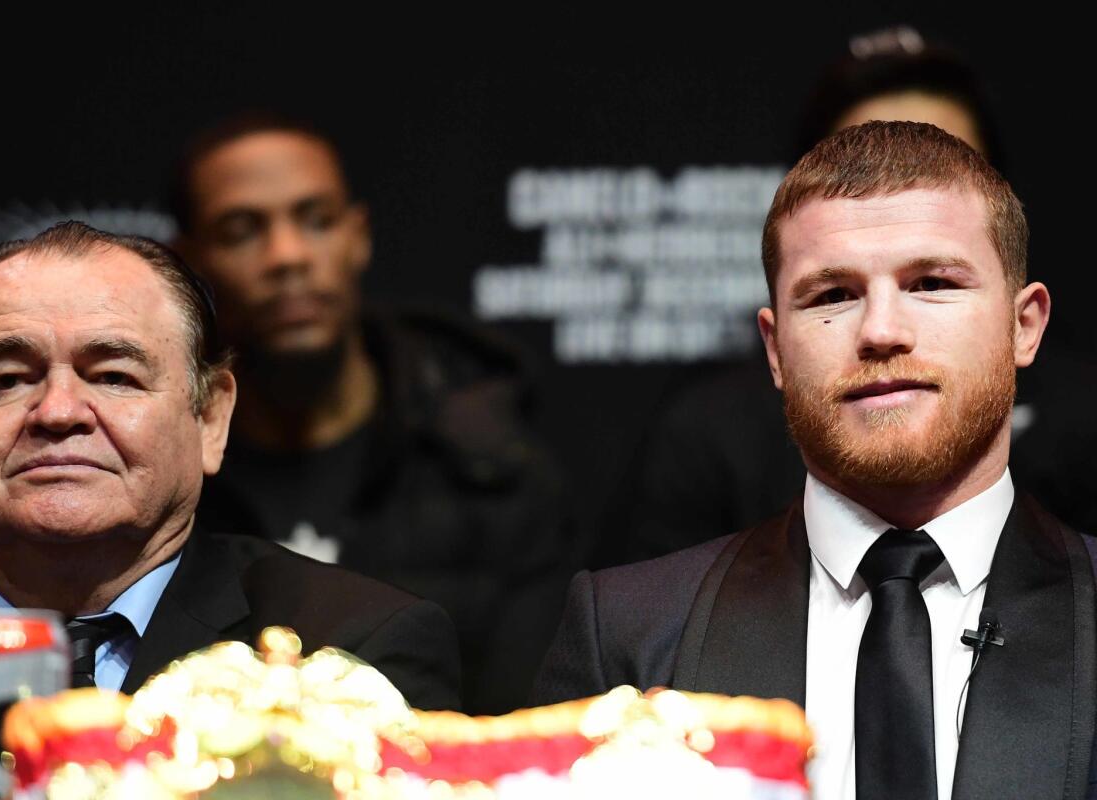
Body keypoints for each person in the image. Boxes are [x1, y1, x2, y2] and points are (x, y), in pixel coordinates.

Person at [535, 123, 1097, 800]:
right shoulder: (627, 633)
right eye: (832, 296)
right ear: (774, 349)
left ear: (1023, 326)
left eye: (932, 282)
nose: (882, 331)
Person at [0, 222, 461, 799]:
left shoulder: (349, 656)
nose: (59, 412)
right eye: (10, 380)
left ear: (210, 418)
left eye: (115, 376)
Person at [595, 28, 1097, 568]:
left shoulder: (1082, 420)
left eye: (932, 284)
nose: (882, 329)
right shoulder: (710, 436)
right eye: (859, 166)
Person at [169, 114, 572, 714]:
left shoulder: (490, 470)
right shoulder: (160, 477)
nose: (287, 256)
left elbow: (527, 725)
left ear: (359, 236)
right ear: (188, 263)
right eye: (242, 230)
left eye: (316, 220)